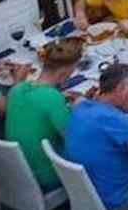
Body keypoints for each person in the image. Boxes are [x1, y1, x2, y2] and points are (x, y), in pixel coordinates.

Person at [62, 63, 128, 210]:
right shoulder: (111, 118)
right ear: (120, 89)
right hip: (117, 199)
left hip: (88, 193)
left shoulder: (82, 106)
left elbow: (78, 99)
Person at [5, 38, 80, 190]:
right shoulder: (52, 98)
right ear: (64, 72)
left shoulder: (18, 88)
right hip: (47, 175)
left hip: (20, 169)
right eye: (72, 71)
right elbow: (73, 139)